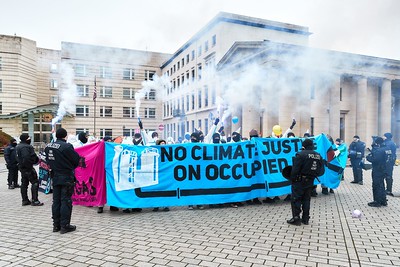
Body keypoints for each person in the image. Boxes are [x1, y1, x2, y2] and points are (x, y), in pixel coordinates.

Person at [45, 128, 81, 234]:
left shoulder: (48, 146)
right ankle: (65, 225)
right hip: (66, 177)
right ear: (65, 136)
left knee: (56, 201)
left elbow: (47, 160)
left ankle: (56, 225)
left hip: (55, 176)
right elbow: (76, 159)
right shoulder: (67, 146)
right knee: (66, 201)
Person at [287, 139, 325, 225]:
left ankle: (296, 218)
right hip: (310, 181)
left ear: (304, 146)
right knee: (306, 199)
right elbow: (321, 170)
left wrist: (292, 179)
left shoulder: (300, 154)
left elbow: (295, 170)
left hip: (299, 180)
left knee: (296, 199)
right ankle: (305, 218)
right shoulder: (318, 155)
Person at [16, 134, 44, 206]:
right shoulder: (26, 147)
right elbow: (26, 157)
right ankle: (35, 200)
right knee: (35, 182)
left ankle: (25, 200)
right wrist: (30, 165)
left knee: (24, 183)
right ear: (26, 139)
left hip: (22, 167)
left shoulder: (18, 146)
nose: (30, 139)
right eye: (28, 138)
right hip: (28, 168)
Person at [366, 137, 389, 207]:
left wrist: (368, 157)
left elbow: (374, 159)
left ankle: (377, 201)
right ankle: (383, 200)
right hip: (384, 169)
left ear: (377, 143)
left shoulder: (379, 150)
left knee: (376, 186)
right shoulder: (386, 149)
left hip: (378, 170)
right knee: (381, 185)